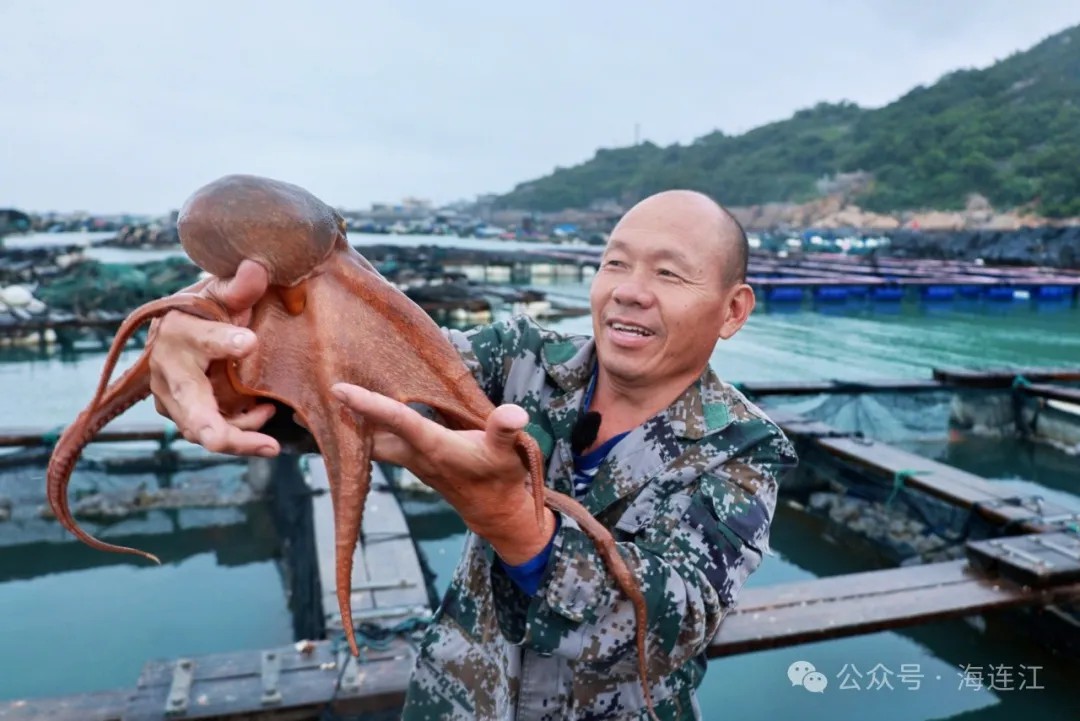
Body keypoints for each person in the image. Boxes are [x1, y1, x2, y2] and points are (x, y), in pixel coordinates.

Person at [147, 189, 798, 720]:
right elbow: (365, 388)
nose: (629, 290)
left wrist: (514, 523)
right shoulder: (519, 357)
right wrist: (217, 355)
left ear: (732, 310)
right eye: (615, 263)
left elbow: (671, 628)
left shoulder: (745, 449)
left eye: (668, 273)